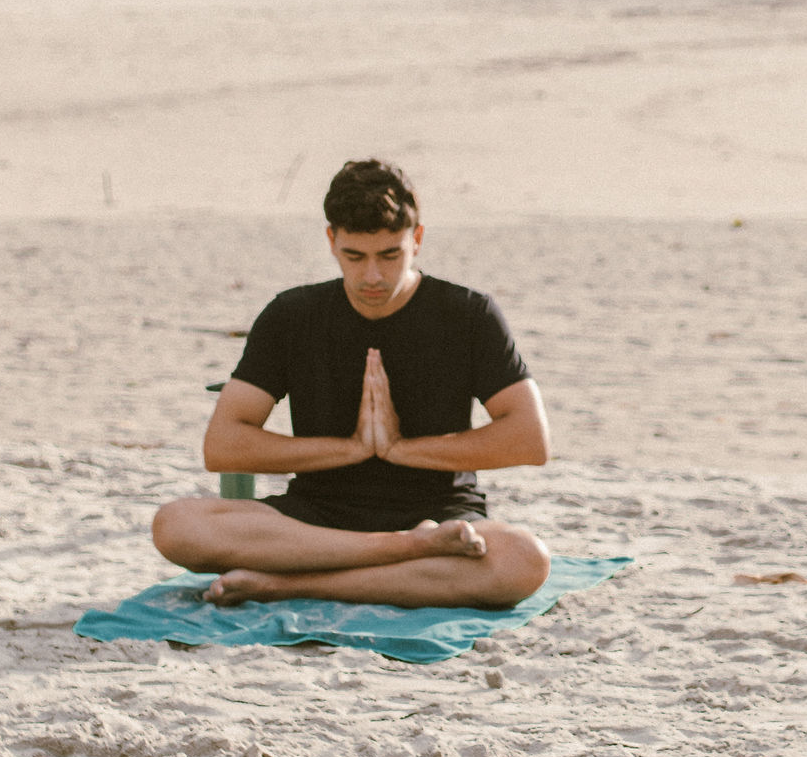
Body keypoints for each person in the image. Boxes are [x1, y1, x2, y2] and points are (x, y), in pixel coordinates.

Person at [149, 159, 553, 608]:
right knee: (175, 524)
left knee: (523, 560)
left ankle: (289, 585)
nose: (372, 276)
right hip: (317, 521)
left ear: (417, 239)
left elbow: (530, 440)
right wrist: (350, 449)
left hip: (439, 517)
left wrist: (400, 449)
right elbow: (223, 445)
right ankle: (403, 551)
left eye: (390, 255)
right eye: (355, 257)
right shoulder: (291, 315)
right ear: (331, 241)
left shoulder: (469, 315)